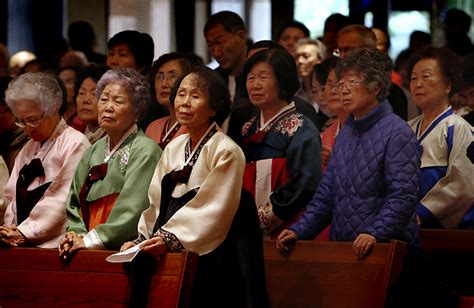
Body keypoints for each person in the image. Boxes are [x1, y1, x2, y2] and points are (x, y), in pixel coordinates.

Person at [121, 67, 268, 307]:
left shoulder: (227, 151)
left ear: (213, 109)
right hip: (171, 242)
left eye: (195, 96)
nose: (185, 103)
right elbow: (156, 200)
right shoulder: (173, 147)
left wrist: (169, 239)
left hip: (215, 250)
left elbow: (212, 209)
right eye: (181, 94)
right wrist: (142, 238)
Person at [277, 48, 420, 258]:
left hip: (385, 250)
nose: (343, 90)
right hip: (345, 249)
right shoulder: (346, 132)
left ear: (377, 87)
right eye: (340, 84)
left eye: (351, 83)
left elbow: (403, 196)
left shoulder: (397, 132)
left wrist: (375, 232)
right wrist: (299, 230)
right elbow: (327, 195)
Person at [58, 68, 162, 259]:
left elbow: (133, 209)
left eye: (118, 101)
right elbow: (73, 201)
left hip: (121, 249)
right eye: (104, 99)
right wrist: (76, 234)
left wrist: (89, 241)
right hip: (84, 244)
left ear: (137, 109)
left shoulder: (146, 150)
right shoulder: (93, 150)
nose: (108, 107)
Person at [0, 72, 90, 248]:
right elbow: (11, 197)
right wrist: (10, 230)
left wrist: (25, 232)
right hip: (20, 243)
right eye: (21, 121)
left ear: (54, 108)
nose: (27, 129)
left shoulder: (76, 143)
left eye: (33, 120)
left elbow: (62, 198)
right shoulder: (28, 149)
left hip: (56, 244)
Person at [241, 48, 322, 236]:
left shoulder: (301, 127)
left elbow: (305, 182)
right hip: (247, 232)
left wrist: (261, 219)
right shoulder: (248, 128)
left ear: (282, 80)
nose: (255, 85)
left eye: (263, 77)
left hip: (287, 229)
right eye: (250, 78)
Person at [407, 47, 474, 229]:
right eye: (414, 78)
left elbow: (464, 182)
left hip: (444, 232)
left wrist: (422, 213)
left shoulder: (458, 127)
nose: (418, 84)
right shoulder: (406, 128)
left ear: (447, 86)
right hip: (404, 227)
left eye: (426, 76)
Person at [335, 24, 408, 120]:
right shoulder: (337, 82)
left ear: (368, 49)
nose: (342, 56)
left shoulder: (392, 92)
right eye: (339, 51)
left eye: (349, 49)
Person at [204, 11, 255, 141]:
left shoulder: (258, 78)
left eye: (220, 42)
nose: (216, 52)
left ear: (241, 36)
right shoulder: (213, 79)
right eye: (210, 45)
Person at [145, 52, 200, 147]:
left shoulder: (197, 125)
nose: (164, 84)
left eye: (172, 76)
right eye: (159, 77)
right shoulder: (153, 127)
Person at [74, 64, 108, 143]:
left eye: (94, 94)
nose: (86, 100)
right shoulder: (75, 134)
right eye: (81, 93)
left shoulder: (113, 138)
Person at [295, 38, 327, 102]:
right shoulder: (293, 92)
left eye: (306, 56)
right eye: (297, 57)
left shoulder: (329, 89)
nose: (299, 61)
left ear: (320, 60)